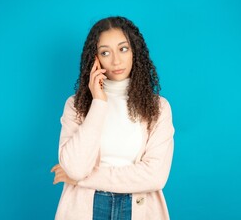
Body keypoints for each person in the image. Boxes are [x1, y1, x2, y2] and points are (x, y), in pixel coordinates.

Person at [50, 16, 175, 220]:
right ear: (95, 58)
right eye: (105, 52)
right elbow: (75, 167)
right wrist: (99, 102)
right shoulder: (76, 105)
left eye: (123, 49)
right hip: (85, 207)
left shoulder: (158, 108)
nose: (116, 60)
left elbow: (154, 177)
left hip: (137, 209)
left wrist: (81, 180)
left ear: (135, 51)